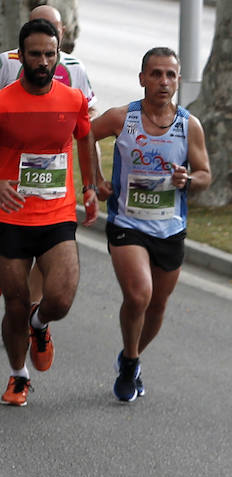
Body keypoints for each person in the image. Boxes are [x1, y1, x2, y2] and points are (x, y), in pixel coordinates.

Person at [92, 47, 211, 402]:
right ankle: (130, 360)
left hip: (170, 227)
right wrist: (94, 180)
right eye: (156, 74)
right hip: (127, 222)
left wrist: (187, 180)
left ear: (177, 81)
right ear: (142, 78)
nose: (163, 81)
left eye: (170, 75)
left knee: (157, 305)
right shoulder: (122, 118)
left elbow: (205, 174)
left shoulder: (188, 125)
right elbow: (83, 134)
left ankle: (131, 357)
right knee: (138, 294)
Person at [0, 18, 98, 407]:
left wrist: (90, 187)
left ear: (59, 56)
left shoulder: (72, 99)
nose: (43, 62)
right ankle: (19, 375)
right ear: (20, 55)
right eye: (35, 54)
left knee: (60, 298)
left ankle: (40, 326)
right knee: (15, 301)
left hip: (57, 214)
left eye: (50, 54)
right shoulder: (4, 102)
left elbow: (86, 136)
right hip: (11, 217)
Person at [0, 4, 97, 111]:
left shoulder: (75, 66)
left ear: (62, 31)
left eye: (52, 30)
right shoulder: (6, 61)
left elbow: (89, 111)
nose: (43, 62)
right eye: (35, 54)